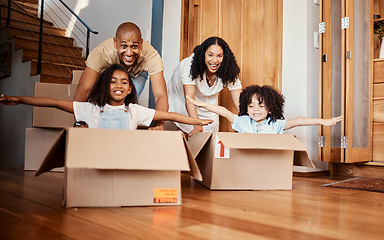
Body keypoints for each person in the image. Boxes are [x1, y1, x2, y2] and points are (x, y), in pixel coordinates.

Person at [1, 64, 212, 129]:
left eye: (124, 82)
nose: (118, 85)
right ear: (105, 86)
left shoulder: (135, 111)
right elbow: (54, 102)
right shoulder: (90, 108)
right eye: (113, 81)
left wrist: (197, 121)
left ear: (130, 89)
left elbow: (171, 115)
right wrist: (20, 100)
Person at [74, 22, 168, 130]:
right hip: (112, 71)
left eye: (134, 46)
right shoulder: (101, 54)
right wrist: (79, 123)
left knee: (129, 104)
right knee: (106, 100)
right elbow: (84, 89)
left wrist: (160, 126)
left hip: (138, 73)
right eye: (124, 46)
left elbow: (160, 95)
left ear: (141, 44)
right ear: (115, 43)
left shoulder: (152, 56)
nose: (129, 53)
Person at [186, 85, 342, 134]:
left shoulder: (275, 124)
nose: (256, 110)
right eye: (251, 106)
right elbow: (224, 111)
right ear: (246, 109)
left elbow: (297, 121)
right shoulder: (242, 122)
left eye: (261, 106)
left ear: (270, 108)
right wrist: (201, 104)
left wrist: (323, 121)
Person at [167, 36, 242, 139]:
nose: (214, 60)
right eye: (210, 55)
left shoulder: (228, 68)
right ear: (203, 55)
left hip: (207, 99)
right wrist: (197, 125)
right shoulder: (189, 65)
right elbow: (190, 99)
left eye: (219, 56)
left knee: (210, 131)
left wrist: (248, 120)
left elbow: (238, 99)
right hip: (184, 95)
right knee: (186, 130)